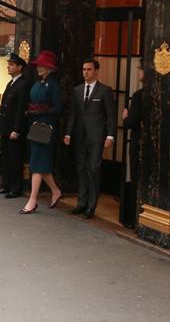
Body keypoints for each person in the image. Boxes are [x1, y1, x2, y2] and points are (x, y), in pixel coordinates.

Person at [64, 58, 116, 219]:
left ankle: (91, 206)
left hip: (96, 137)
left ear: (96, 71)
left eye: (89, 69)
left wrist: (110, 135)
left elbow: (111, 115)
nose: (85, 72)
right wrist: (68, 133)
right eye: (83, 69)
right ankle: (81, 203)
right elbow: (72, 114)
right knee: (81, 169)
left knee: (93, 170)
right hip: (79, 136)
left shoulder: (105, 91)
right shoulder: (77, 90)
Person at [21, 51, 64, 214]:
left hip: (46, 126)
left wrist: (40, 112)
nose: (39, 68)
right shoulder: (38, 82)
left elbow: (58, 108)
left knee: (37, 164)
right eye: (38, 65)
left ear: (49, 68)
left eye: (42, 65)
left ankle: (32, 200)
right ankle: (56, 191)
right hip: (35, 125)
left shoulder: (54, 85)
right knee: (41, 163)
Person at [0, 53, 30, 199]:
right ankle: (5, 185)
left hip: (14, 129)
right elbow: (4, 108)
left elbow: (20, 109)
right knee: (6, 158)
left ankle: (16, 188)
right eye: (8, 64)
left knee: (15, 159)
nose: (8, 67)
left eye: (12, 64)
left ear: (20, 67)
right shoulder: (11, 83)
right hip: (6, 128)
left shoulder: (23, 84)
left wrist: (16, 129)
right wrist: (0, 128)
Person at [122, 59, 144, 229]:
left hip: (139, 143)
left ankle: (135, 218)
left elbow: (131, 122)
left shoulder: (139, 95)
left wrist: (125, 117)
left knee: (137, 178)